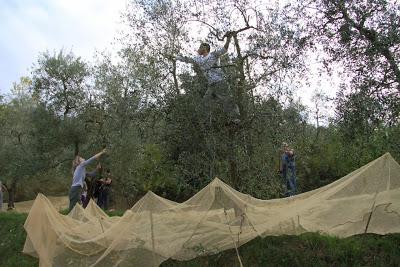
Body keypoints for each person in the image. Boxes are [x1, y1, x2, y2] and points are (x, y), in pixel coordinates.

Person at [175, 32, 241, 124]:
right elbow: (188, 59)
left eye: (200, 47)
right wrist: (176, 57)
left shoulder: (213, 55)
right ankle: (205, 123)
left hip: (220, 82)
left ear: (205, 48)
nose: (198, 49)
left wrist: (228, 39)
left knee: (227, 100)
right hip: (211, 85)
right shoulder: (199, 59)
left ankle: (236, 119)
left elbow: (224, 49)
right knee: (205, 103)